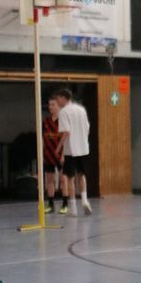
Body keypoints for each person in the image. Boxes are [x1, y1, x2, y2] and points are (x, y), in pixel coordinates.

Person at [52, 88, 93, 217]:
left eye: (58, 99)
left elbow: (66, 132)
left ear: (63, 98)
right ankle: (85, 200)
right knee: (82, 175)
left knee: (70, 178)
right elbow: (87, 128)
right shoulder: (81, 110)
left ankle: (74, 209)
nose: (57, 101)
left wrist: (58, 148)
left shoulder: (64, 112)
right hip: (83, 148)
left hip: (71, 150)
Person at [42, 95, 65, 213]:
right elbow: (42, 138)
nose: (50, 107)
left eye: (53, 105)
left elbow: (66, 139)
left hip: (60, 154)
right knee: (49, 179)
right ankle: (50, 204)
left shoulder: (63, 121)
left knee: (62, 179)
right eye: (49, 105)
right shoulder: (45, 121)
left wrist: (63, 155)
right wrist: (42, 153)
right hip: (48, 154)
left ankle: (65, 204)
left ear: (58, 106)